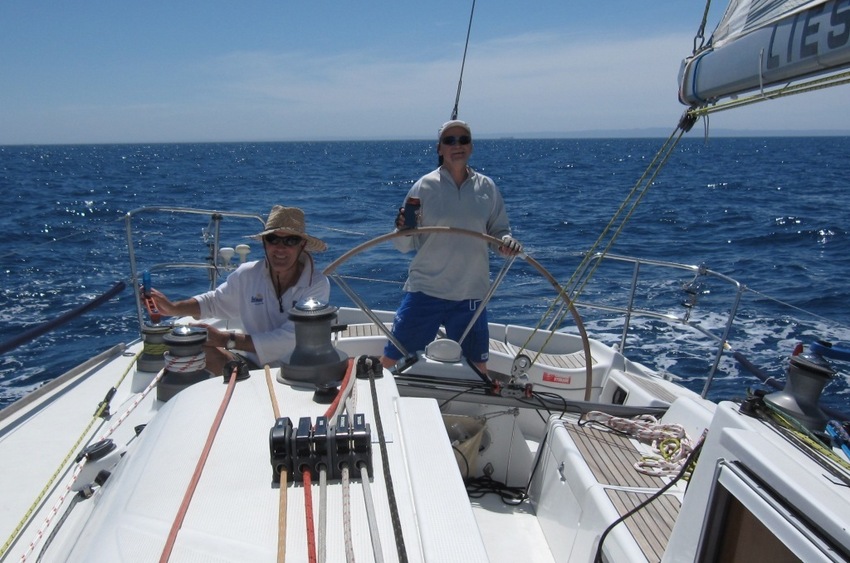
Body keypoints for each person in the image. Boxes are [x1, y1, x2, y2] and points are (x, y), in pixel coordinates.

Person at [380, 119, 522, 373]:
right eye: (450, 140)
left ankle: (476, 411)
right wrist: (402, 229)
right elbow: (403, 245)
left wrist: (506, 244)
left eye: (463, 140)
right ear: (439, 149)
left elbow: (499, 233)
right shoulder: (424, 186)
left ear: (471, 147)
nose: (457, 145)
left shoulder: (487, 188)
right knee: (393, 358)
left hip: (470, 293)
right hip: (426, 290)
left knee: (478, 367)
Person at [149, 205, 330, 375]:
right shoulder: (247, 275)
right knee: (194, 347)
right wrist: (173, 308)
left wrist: (225, 339)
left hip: (299, 372)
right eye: (273, 239)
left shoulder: (317, 285)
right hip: (251, 366)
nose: (280, 248)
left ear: (302, 246)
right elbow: (214, 302)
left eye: (291, 240)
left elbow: (293, 339)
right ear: (265, 243)